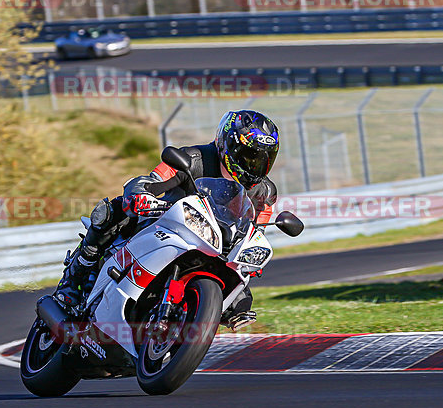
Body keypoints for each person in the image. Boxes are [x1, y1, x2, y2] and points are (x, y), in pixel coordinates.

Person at [54, 109, 280, 330]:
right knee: (112, 211)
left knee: (241, 300)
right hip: (165, 224)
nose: (254, 166)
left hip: (216, 246)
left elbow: (256, 230)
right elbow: (151, 180)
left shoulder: (264, 193)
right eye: (250, 156)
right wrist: (140, 195)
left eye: (262, 159)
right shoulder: (193, 158)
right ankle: (73, 280)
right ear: (229, 145)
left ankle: (179, 324)